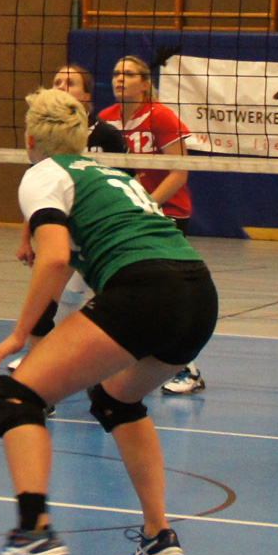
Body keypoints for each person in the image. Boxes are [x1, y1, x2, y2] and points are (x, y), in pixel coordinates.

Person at [0, 88, 217, 555]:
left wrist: (19, 335)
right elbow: (70, 252)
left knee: (15, 395)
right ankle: (158, 534)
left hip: (144, 289)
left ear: (30, 140)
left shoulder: (42, 173)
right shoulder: (110, 174)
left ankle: (33, 532)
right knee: (115, 399)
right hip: (198, 294)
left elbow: (55, 258)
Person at [96, 55, 205, 395]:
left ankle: (187, 368)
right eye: (116, 73)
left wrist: (147, 207)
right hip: (126, 216)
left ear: (145, 83)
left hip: (165, 213)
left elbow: (180, 171)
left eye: (128, 74)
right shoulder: (105, 119)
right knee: (124, 292)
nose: (119, 79)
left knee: (166, 293)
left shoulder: (161, 116)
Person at [11, 65, 127, 368]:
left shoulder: (106, 135)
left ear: (86, 96)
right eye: (57, 81)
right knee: (49, 302)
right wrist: (26, 238)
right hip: (72, 236)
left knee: (121, 312)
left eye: (70, 82)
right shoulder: (45, 155)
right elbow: (42, 199)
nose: (62, 87)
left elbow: (129, 181)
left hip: (105, 240)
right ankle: (40, 363)